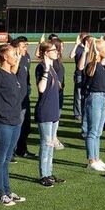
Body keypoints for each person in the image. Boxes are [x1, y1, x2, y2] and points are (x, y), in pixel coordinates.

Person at [0, 44, 27, 206]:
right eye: (13, 54)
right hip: (3, 124)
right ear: (5, 58)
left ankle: (7, 191)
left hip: (15, 123)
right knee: (0, 160)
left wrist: (19, 54)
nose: (16, 56)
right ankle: (1, 193)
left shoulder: (12, 74)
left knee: (7, 160)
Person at [35, 41, 63, 187]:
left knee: (51, 144)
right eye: (53, 50)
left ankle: (49, 173)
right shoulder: (41, 67)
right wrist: (46, 70)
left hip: (53, 110)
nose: (57, 51)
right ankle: (43, 175)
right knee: (45, 144)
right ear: (46, 53)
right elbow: (41, 88)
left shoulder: (52, 67)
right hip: (45, 111)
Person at [82, 38, 105, 170]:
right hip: (94, 98)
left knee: (98, 132)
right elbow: (89, 71)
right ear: (98, 51)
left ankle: (97, 158)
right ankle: (91, 160)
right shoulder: (91, 65)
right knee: (92, 131)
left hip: (101, 98)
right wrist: (94, 52)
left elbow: (103, 86)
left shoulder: (100, 65)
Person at [12, 36, 36, 159]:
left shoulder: (26, 57)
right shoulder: (14, 60)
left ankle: (22, 149)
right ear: (16, 48)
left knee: (26, 126)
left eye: (26, 45)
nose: (26, 48)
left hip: (25, 96)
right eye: (23, 46)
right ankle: (10, 152)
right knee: (17, 125)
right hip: (17, 98)